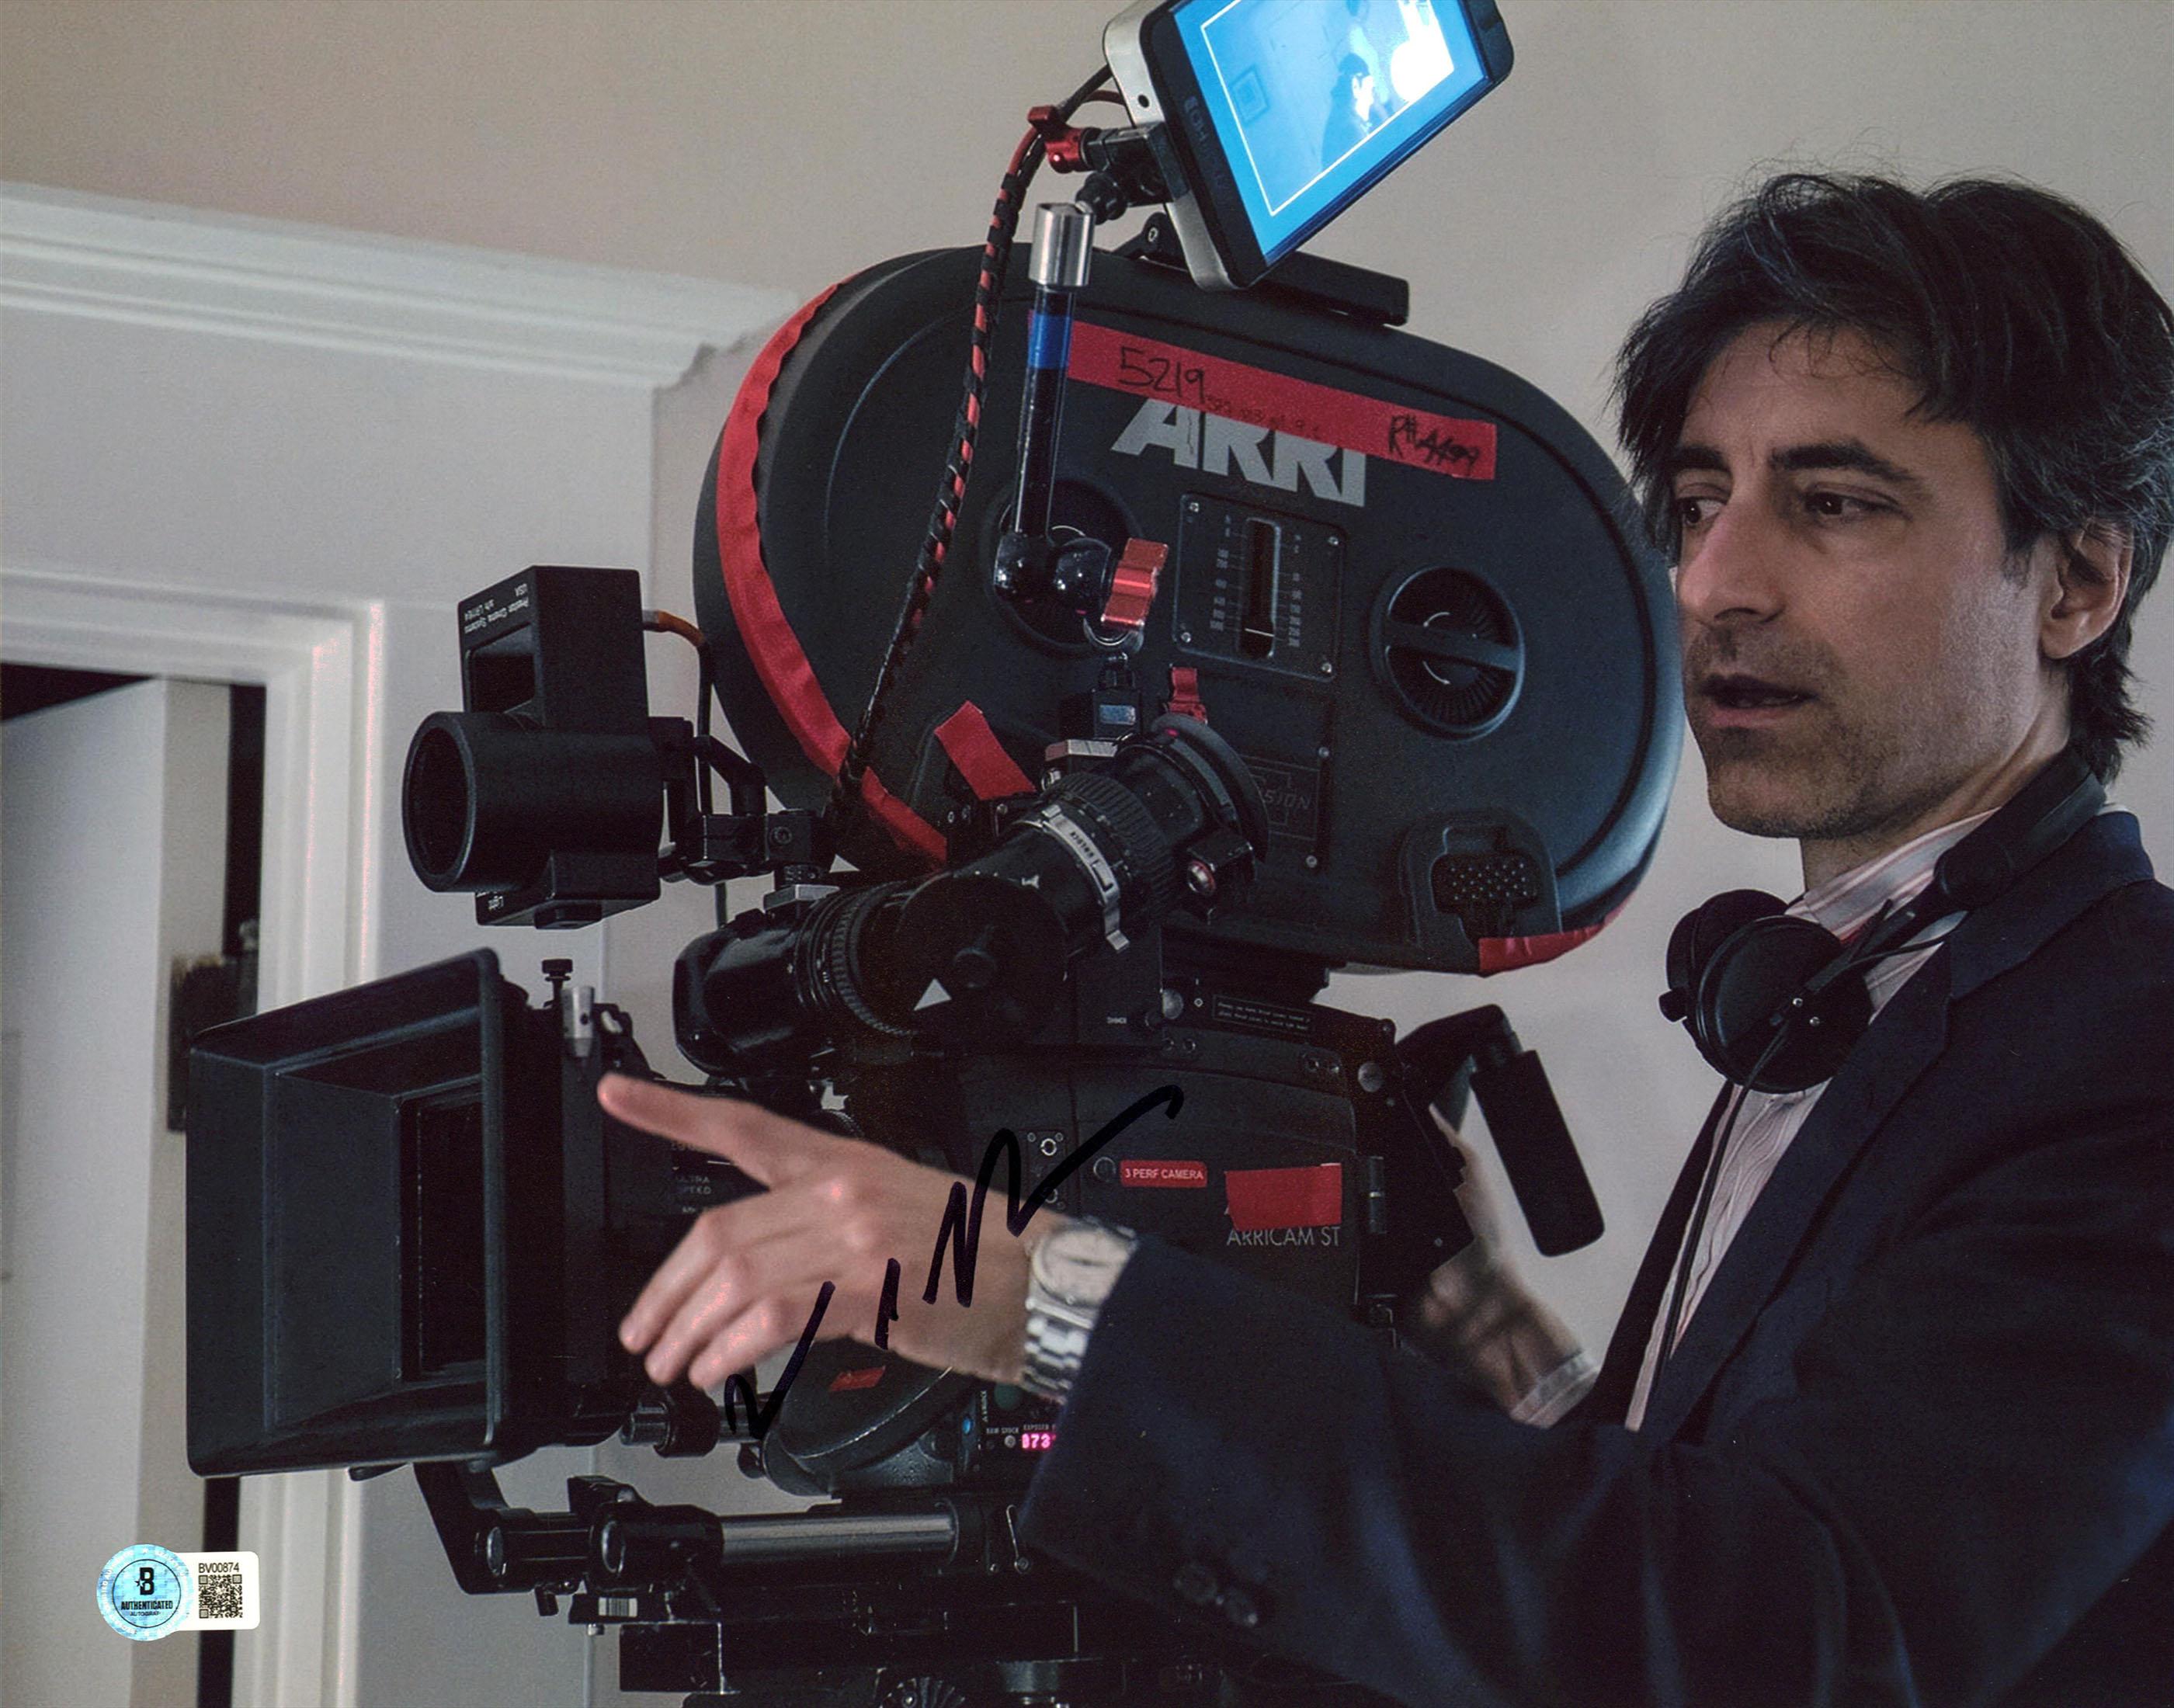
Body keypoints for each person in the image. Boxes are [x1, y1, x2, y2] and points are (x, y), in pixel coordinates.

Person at [601, 172, 2174, 1705]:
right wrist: (1471, 1343)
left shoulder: (2127, 1044)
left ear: (2078, 582)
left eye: (1833, 505)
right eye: (1700, 503)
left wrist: (1043, 1298)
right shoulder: (1847, 983)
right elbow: (1649, 1569)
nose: (1714, 583)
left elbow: (1788, 1636)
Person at [1321, 53, 1382, 171]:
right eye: (1371, 90)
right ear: (1355, 86)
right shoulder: (1350, 127)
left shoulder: (1342, 118)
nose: (1373, 99)